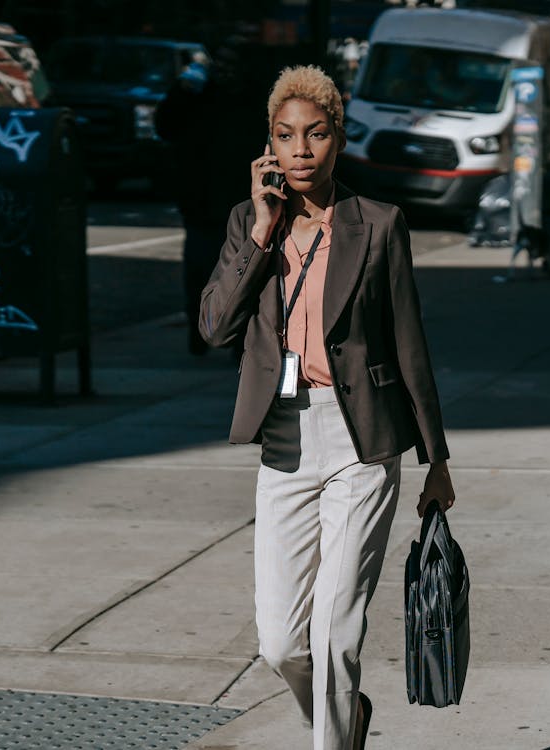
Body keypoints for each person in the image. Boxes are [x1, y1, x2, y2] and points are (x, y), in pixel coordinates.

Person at [199, 65, 456, 750]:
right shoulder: (246, 224)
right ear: (269, 149)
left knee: (335, 629)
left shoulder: (378, 225)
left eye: (316, 134)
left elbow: (409, 343)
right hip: (283, 436)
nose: (302, 150)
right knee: (283, 642)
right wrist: (258, 231)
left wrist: (436, 460)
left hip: (362, 441)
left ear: (338, 139)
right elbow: (214, 329)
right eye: (286, 137)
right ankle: (344, 722)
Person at [156, 38, 264, 354]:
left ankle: (234, 337)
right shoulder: (197, 95)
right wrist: (183, 91)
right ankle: (201, 330)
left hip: (239, 202)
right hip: (204, 200)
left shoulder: (250, 98)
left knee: (242, 272)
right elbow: (166, 126)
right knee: (203, 271)